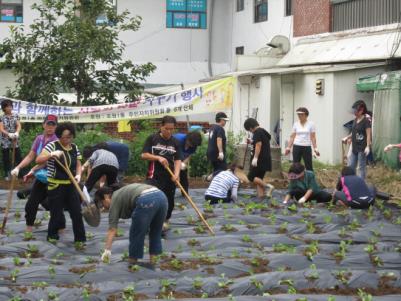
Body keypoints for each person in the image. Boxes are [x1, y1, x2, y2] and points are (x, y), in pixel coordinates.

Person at [11, 114, 65, 232]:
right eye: (48, 124)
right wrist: (18, 168)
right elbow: (31, 156)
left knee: (54, 205)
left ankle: (61, 230)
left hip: (54, 177)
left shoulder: (57, 141)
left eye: (53, 125)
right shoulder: (39, 139)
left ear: (56, 127)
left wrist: (32, 170)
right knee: (31, 203)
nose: (50, 127)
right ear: (43, 125)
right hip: (41, 177)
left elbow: (46, 161)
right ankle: (29, 229)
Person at [36, 122, 86, 243]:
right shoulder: (52, 146)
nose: (68, 139)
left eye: (70, 137)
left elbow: (78, 163)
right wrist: (51, 155)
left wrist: (78, 174)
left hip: (70, 185)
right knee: (56, 214)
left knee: (77, 213)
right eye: (65, 137)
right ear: (59, 136)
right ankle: (52, 238)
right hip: (56, 185)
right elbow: (38, 160)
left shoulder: (74, 147)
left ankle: (80, 240)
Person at [96, 183, 167, 265]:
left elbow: (112, 229)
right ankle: (155, 263)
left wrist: (107, 251)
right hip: (162, 197)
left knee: (135, 234)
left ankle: (132, 264)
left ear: (106, 197)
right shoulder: (123, 193)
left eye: (102, 203)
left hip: (146, 199)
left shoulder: (115, 199)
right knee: (155, 233)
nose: (104, 207)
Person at [141, 115, 181, 230]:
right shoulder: (152, 139)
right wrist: (158, 158)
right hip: (154, 176)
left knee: (169, 202)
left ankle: (165, 222)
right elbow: (143, 155)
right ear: (161, 126)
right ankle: (150, 224)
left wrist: (176, 174)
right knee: (153, 199)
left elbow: (178, 160)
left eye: (171, 129)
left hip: (169, 177)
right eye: (166, 129)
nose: (169, 131)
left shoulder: (175, 142)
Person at [243, 118, 275, 199]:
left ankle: (268, 187)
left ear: (250, 127)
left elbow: (259, 145)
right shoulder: (263, 131)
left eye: (249, 130)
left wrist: (255, 158)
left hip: (260, 160)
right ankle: (261, 197)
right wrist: (252, 142)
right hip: (266, 159)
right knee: (259, 179)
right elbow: (262, 141)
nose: (250, 132)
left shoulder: (257, 132)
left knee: (251, 177)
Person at [342, 100, 371, 179]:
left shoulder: (366, 121)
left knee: (361, 167)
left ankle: (361, 184)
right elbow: (353, 132)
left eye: (356, 112)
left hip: (362, 148)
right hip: (354, 147)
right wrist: (347, 137)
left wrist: (368, 146)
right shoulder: (355, 120)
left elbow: (368, 135)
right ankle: (352, 181)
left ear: (361, 110)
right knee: (351, 165)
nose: (355, 113)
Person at [284, 107, 319, 171]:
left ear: (306, 115)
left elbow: (313, 137)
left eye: (301, 114)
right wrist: (288, 148)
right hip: (297, 146)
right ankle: (295, 179)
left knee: (309, 165)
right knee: (295, 165)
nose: (299, 116)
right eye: (298, 114)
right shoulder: (296, 124)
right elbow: (292, 136)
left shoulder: (311, 124)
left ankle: (309, 179)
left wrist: (315, 149)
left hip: (306, 146)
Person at [0, 99, 22, 180]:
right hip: (5, 139)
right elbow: (1, 128)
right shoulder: (1, 117)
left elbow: (18, 125)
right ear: (4, 108)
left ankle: (18, 174)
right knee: (6, 157)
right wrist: (8, 134)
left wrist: (17, 133)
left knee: (18, 156)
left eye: (10, 106)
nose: (9, 108)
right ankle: (7, 174)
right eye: (7, 106)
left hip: (15, 139)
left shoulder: (15, 115)